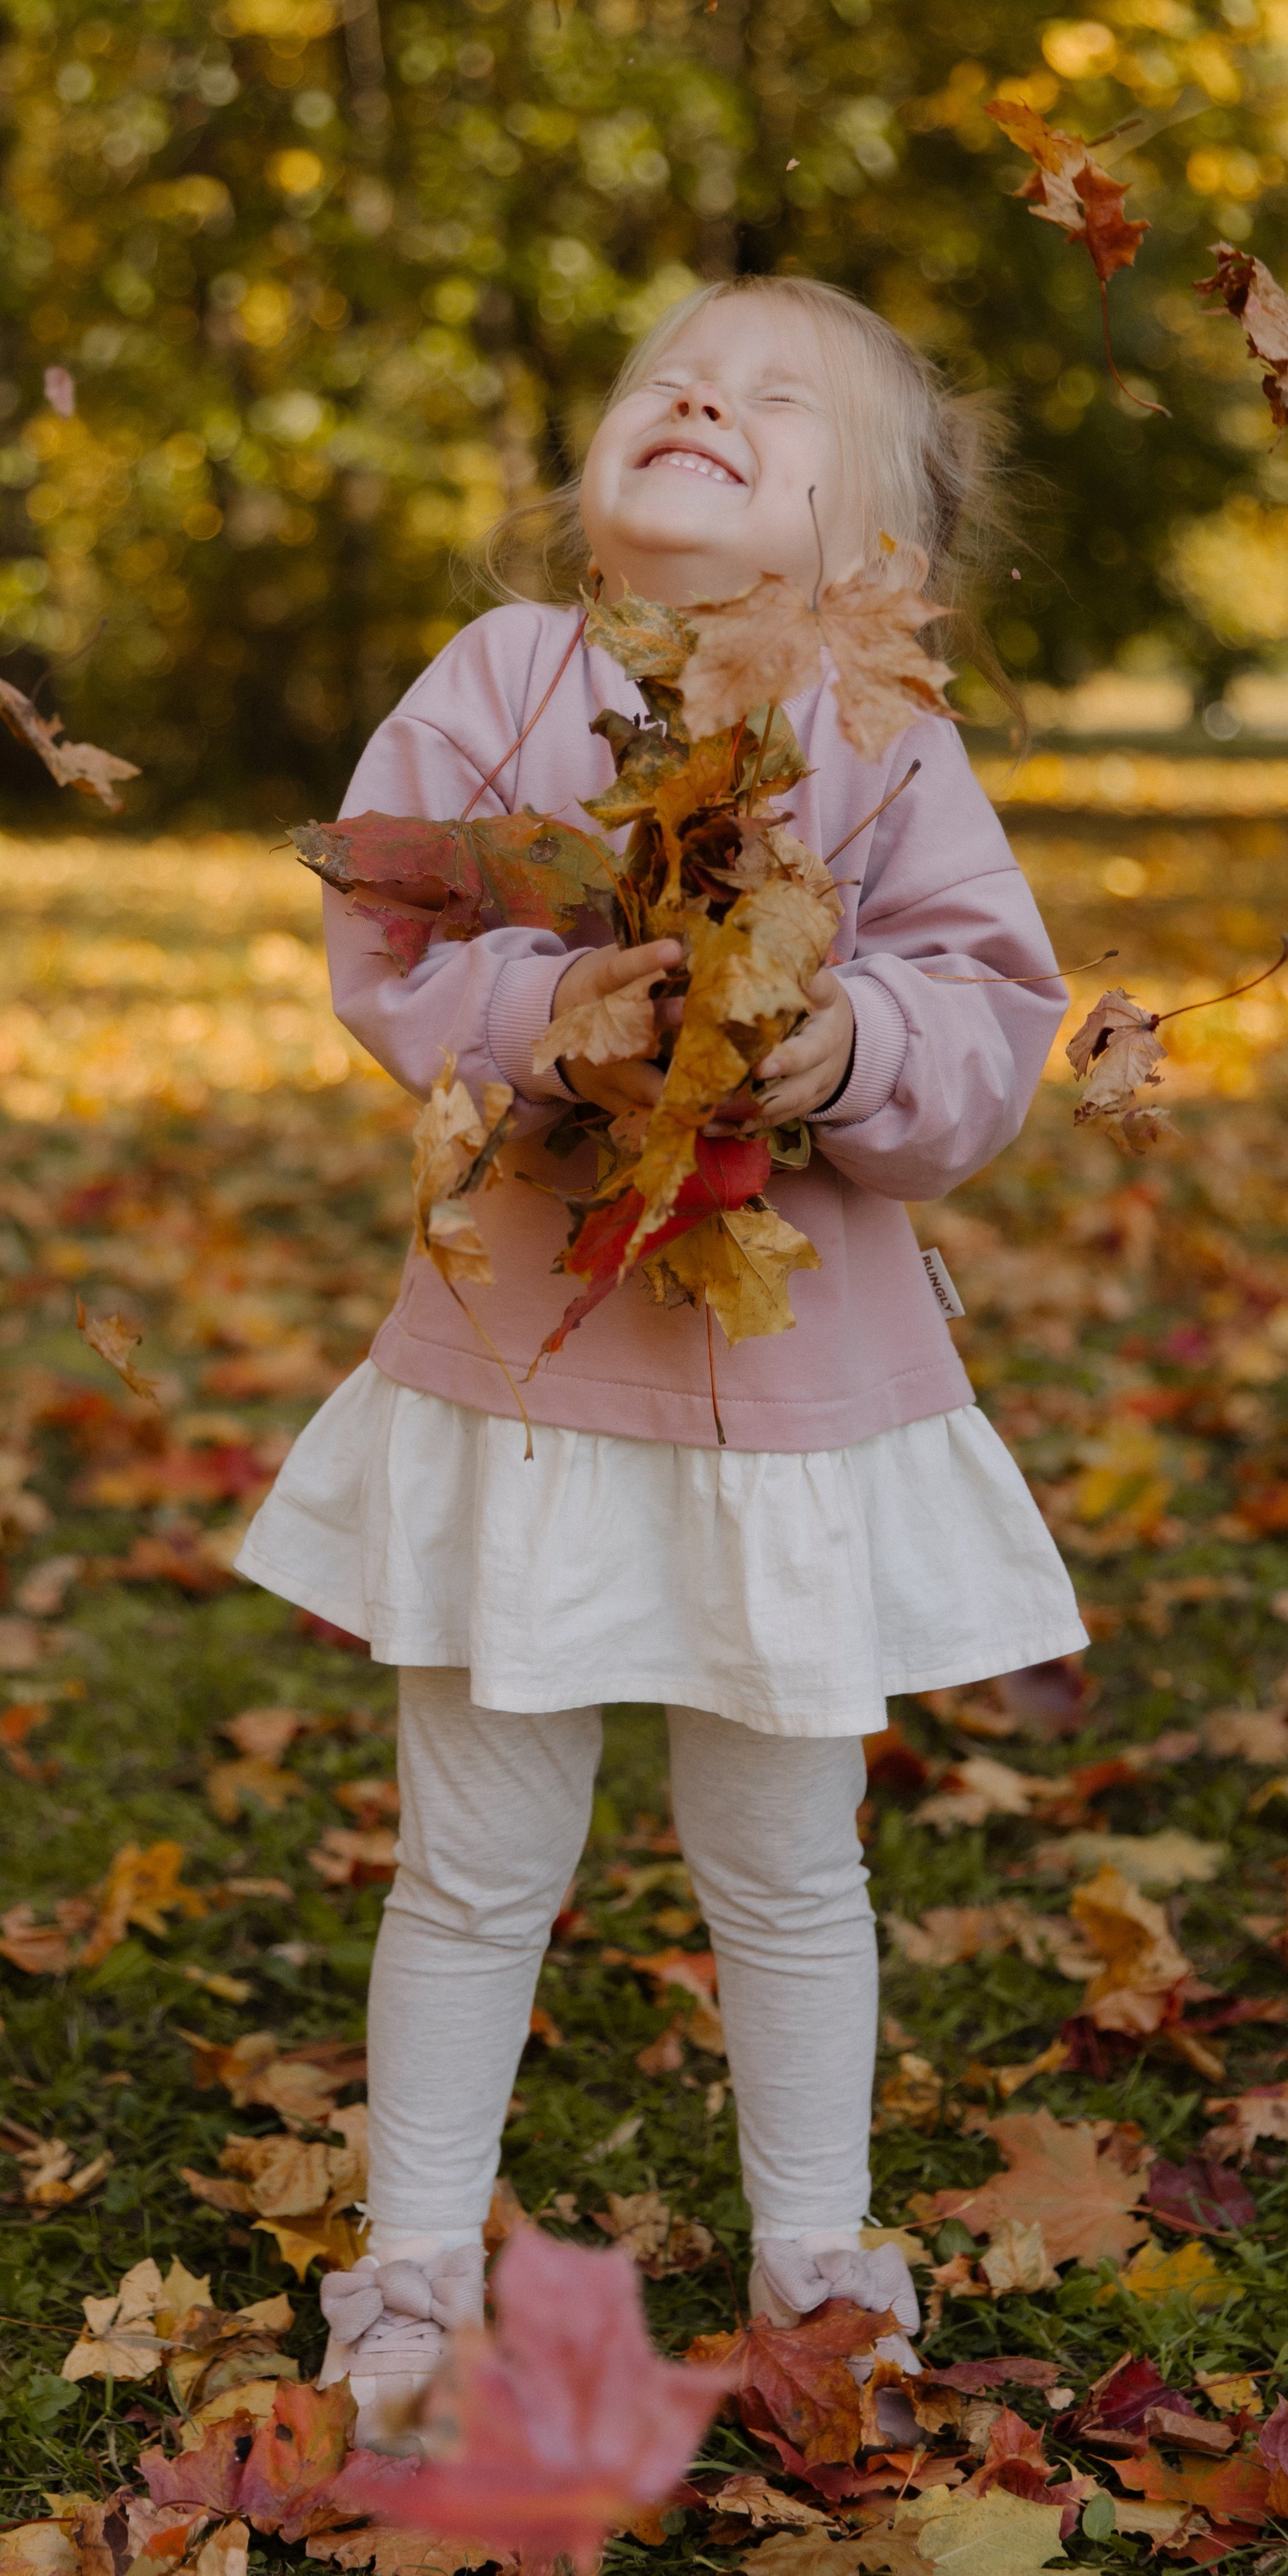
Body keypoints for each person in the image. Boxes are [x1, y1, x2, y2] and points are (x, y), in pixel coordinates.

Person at [234, 275, 1087, 2444]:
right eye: (670, 380)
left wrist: (839, 1042)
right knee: (477, 1853)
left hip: (784, 1405)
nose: (705, 395)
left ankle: (820, 2253)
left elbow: (983, 1020)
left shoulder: (890, 741)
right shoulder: (506, 683)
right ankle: (414, 2259)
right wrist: (561, 1017)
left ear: (869, 545)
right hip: (528, 1368)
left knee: (790, 1859)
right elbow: (391, 922)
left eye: (779, 404)